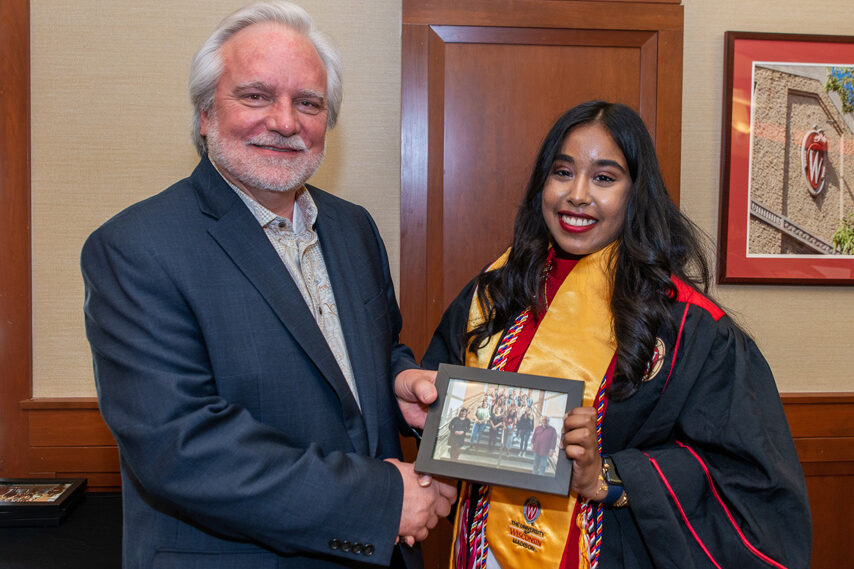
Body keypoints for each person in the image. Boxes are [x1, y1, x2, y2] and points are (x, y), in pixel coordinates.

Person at [81, 3, 454, 568]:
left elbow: (367, 354)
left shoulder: (352, 227)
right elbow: (182, 448)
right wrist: (380, 499)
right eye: (256, 96)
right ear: (206, 113)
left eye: (308, 103)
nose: (285, 121)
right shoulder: (136, 248)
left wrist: (399, 384)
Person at [418, 101, 811, 568]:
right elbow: (434, 402)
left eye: (604, 178)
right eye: (562, 172)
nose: (577, 195)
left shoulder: (684, 324)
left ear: (635, 192)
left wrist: (610, 476)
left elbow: (750, 485)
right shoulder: (497, 290)